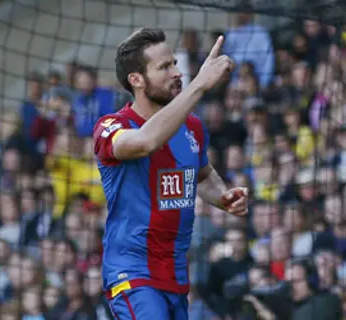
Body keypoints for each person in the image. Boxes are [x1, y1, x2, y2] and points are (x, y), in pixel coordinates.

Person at [92, 27, 249, 320]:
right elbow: (144, 143)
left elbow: (202, 175)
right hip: (133, 273)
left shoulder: (193, 127)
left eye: (175, 63)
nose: (176, 72)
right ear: (136, 79)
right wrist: (200, 85)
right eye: (164, 67)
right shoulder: (112, 126)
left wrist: (224, 196)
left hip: (175, 276)